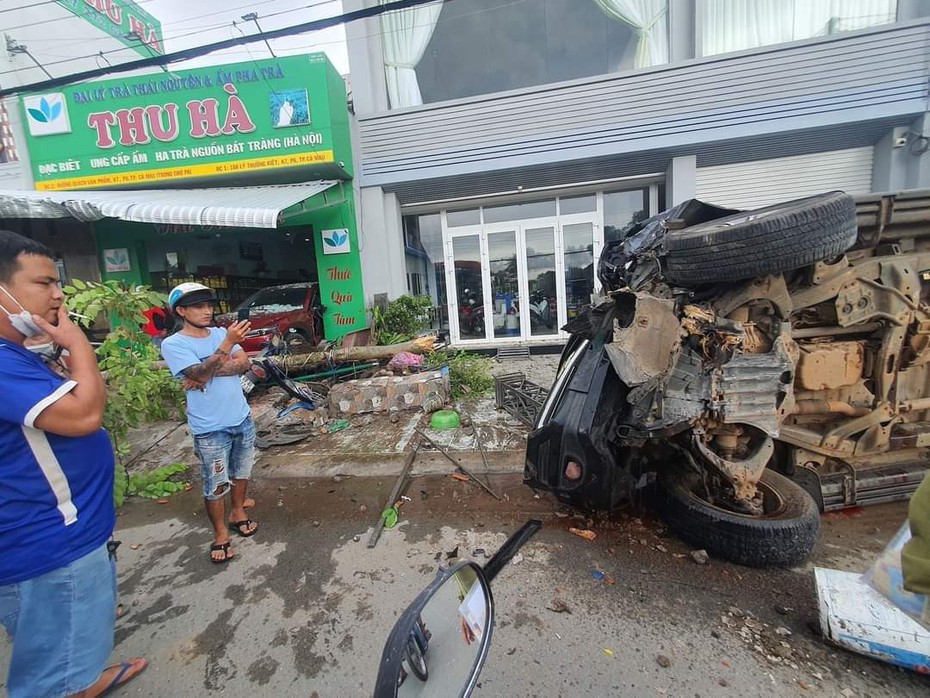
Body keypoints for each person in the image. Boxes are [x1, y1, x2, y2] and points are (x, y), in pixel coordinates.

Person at [0, 230, 147, 696]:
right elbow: (84, 414)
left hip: (70, 536)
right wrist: (79, 344)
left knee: (67, 648)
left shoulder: (16, 356)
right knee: (50, 675)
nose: (59, 294)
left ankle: (85, 678)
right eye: (44, 283)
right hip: (49, 548)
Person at [160, 282, 258, 564]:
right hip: (210, 428)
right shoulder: (175, 343)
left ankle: (238, 511)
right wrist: (225, 347)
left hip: (241, 417)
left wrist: (207, 370)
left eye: (208, 305)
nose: (206, 311)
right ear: (181, 311)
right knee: (215, 483)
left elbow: (245, 364)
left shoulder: (218, 332)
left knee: (242, 471)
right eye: (198, 306)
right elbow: (201, 374)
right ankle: (220, 534)